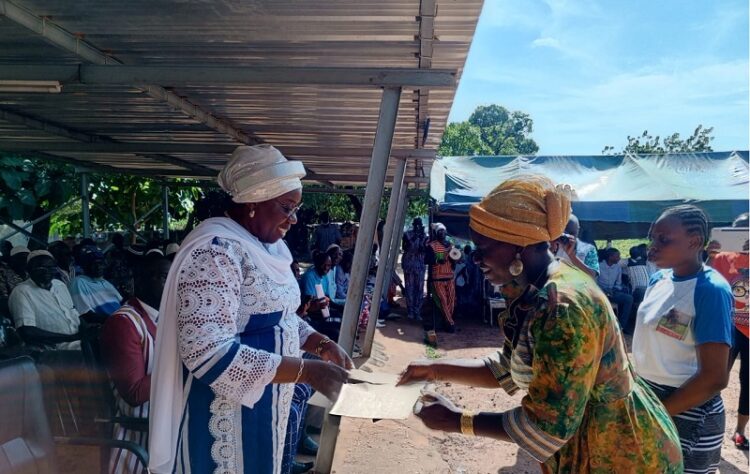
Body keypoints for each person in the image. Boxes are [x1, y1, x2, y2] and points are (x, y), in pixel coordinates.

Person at [398, 176, 682, 473]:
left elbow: (548, 426)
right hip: (591, 446)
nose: (476, 259)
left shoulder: (562, 307)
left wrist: (456, 420)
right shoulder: (534, 289)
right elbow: (512, 367)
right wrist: (434, 368)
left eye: (483, 247)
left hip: (622, 454)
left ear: (520, 244)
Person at [148, 144, 351, 474]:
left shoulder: (269, 248)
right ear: (254, 201)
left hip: (263, 406)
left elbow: (282, 315)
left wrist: (320, 344)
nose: (294, 219)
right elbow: (206, 351)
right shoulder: (215, 252)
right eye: (287, 208)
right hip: (222, 412)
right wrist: (307, 371)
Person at [633, 204, 733, 473]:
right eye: (652, 237)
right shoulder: (658, 280)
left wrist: (657, 414)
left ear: (695, 241)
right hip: (650, 399)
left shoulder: (710, 290)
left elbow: (714, 378)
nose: (652, 246)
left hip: (687, 409)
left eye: (663, 239)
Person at [100, 255, 171, 473]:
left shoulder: (166, 317)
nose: (172, 283)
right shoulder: (123, 323)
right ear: (139, 281)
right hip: (141, 431)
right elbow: (135, 394)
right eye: (164, 277)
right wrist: (177, 366)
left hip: (162, 422)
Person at [708, 212, 749, 450]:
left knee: (749, 382)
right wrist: (708, 258)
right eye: (738, 231)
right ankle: (705, 423)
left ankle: (740, 432)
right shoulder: (721, 257)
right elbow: (703, 280)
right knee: (714, 377)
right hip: (727, 325)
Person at [9, 250, 83, 349]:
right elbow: (27, 331)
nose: (46, 271)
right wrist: (70, 338)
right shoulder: (21, 292)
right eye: (40, 267)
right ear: (29, 270)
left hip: (79, 340)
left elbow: (74, 313)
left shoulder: (60, 285)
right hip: (55, 348)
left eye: (50, 267)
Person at [69, 246, 123, 319]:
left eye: (100, 263)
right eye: (94, 264)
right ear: (85, 265)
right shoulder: (78, 282)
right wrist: (113, 320)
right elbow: (86, 314)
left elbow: (121, 302)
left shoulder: (105, 282)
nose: (98, 267)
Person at [426, 223, 456, 332]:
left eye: (443, 231)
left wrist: (455, 259)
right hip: (437, 278)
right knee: (443, 301)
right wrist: (438, 259)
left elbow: (453, 259)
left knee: (451, 301)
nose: (442, 233)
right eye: (439, 231)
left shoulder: (450, 244)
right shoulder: (432, 245)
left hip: (449, 277)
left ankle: (446, 321)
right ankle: (450, 324)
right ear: (436, 233)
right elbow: (427, 260)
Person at [597, 248, 633, 329]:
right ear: (610, 257)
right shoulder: (598, 266)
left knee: (628, 298)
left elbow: (618, 283)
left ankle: (621, 327)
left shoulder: (618, 267)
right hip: (599, 292)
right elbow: (593, 282)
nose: (619, 258)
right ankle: (600, 326)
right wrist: (603, 290)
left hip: (612, 292)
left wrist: (615, 289)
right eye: (617, 256)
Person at [553, 214, 599, 278]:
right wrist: (551, 249)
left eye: (572, 233)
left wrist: (572, 256)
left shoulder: (588, 249)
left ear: (578, 230)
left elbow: (592, 275)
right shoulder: (550, 245)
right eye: (564, 233)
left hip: (579, 287)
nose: (568, 236)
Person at [402, 218, 428, 320]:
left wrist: (421, 238)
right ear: (413, 225)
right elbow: (405, 247)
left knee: (419, 289)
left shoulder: (425, 236)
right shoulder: (407, 234)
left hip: (420, 265)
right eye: (416, 224)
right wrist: (414, 237)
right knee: (409, 288)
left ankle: (417, 311)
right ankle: (410, 311)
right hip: (409, 264)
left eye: (419, 224)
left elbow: (423, 249)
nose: (417, 226)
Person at [0, 246, 29, 317]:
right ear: (12, 259)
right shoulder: (3, 273)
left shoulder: (30, 273)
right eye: (20, 258)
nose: (24, 261)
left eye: (26, 258)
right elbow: (3, 299)